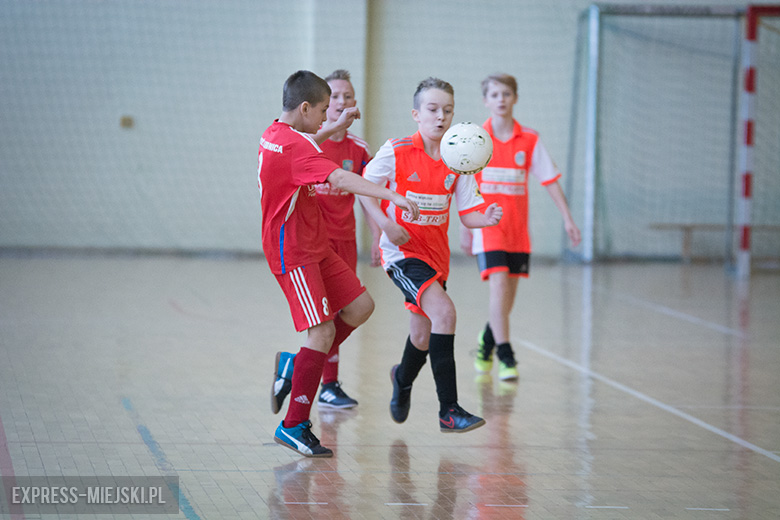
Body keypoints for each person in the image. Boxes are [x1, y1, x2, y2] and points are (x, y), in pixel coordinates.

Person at [259, 70, 419, 457]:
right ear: (305, 107)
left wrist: (332, 128)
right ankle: (294, 424)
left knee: (361, 306)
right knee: (322, 333)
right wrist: (390, 197)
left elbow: (307, 139)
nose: (327, 116)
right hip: (292, 250)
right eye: (322, 111)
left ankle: (294, 366)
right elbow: (341, 178)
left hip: (315, 243)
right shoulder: (296, 148)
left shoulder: (278, 133)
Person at [360, 77, 503, 433]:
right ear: (416, 114)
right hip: (402, 253)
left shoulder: (460, 157)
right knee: (445, 312)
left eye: (448, 110)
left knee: (423, 335)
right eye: (433, 109)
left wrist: (483, 219)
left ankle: (402, 377)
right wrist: (383, 226)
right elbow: (364, 187)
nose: (441, 117)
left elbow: (468, 212)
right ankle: (449, 410)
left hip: (437, 257)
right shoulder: (397, 150)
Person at [460, 72, 581, 381]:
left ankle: (486, 341)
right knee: (499, 288)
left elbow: (550, 181)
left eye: (506, 94)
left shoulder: (529, 139)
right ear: (485, 101)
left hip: (517, 232)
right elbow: (464, 187)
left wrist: (568, 218)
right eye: (495, 94)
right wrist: (465, 227)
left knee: (506, 300)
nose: (501, 99)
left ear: (515, 98)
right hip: (487, 230)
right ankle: (507, 356)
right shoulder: (476, 140)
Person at [308, 69, 382, 410]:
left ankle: (324, 381)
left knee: (344, 311)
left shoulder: (359, 148)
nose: (341, 102)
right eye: (334, 96)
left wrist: (378, 233)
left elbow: (369, 194)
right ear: (322, 104)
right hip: (313, 245)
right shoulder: (309, 144)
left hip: (345, 240)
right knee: (321, 317)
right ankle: (323, 381)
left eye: (347, 96)